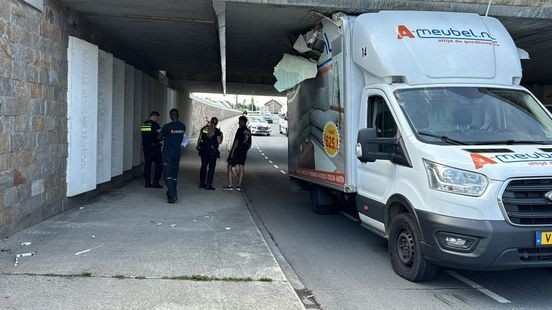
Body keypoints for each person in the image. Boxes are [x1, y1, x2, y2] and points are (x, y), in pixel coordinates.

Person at [160, 108, 186, 204]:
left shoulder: (167, 127)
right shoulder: (183, 126)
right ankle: (171, 195)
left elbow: (159, 137)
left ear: (170, 116)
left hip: (168, 153)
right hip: (177, 153)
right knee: (174, 175)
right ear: (178, 115)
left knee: (167, 174)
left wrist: (162, 135)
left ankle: (173, 194)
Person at [223, 116, 252, 192]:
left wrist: (232, 152)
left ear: (243, 122)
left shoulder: (239, 130)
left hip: (237, 151)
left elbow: (236, 141)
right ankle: (239, 186)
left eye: (239, 121)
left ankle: (230, 185)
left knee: (229, 166)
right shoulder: (249, 131)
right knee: (241, 168)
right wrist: (245, 150)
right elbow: (249, 144)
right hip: (243, 152)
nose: (239, 122)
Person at [197, 117, 223, 190]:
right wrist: (221, 135)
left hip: (203, 150)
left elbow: (200, 138)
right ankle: (208, 184)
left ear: (211, 121)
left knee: (203, 166)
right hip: (212, 152)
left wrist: (197, 145)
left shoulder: (204, 128)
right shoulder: (217, 131)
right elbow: (219, 142)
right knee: (211, 168)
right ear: (217, 123)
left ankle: (202, 183)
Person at [140, 111, 163, 188]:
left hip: (146, 147)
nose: (157, 120)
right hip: (155, 147)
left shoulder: (144, 124)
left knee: (148, 164)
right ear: (154, 116)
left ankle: (147, 182)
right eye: (157, 118)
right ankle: (156, 182)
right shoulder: (155, 125)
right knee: (159, 164)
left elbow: (146, 136)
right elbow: (160, 134)